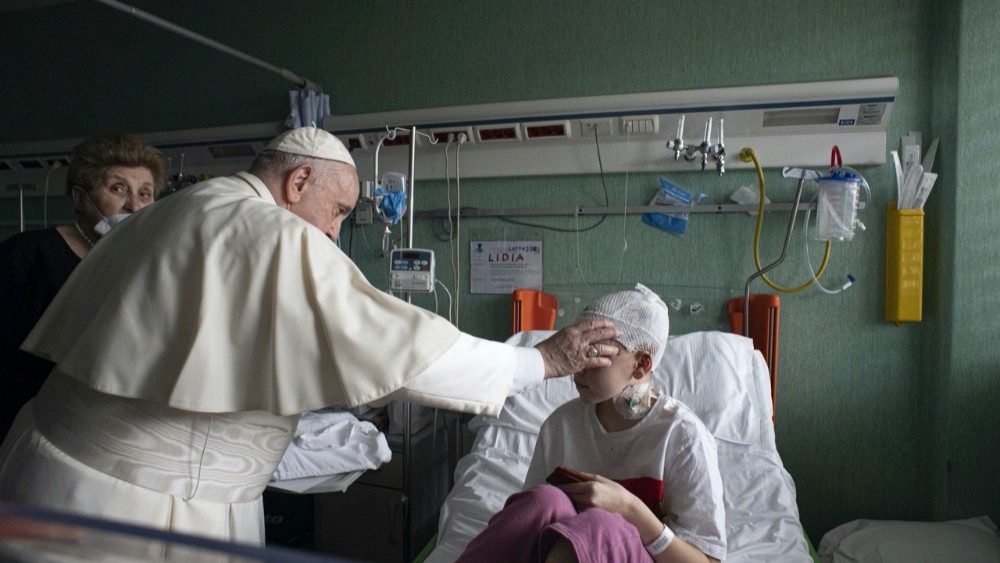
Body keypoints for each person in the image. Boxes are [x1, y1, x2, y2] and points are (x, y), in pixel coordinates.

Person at [0, 126, 620, 546]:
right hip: (128, 508)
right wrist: (540, 361)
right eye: (338, 210)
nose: (332, 233)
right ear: (297, 183)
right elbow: (396, 345)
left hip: (53, 470)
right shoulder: (267, 229)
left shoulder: (178, 209)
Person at [457, 284, 727, 563]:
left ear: (642, 365)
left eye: (594, 353)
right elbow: (531, 529)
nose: (577, 364)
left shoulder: (682, 436)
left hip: (634, 551)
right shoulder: (561, 425)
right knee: (542, 501)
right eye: (578, 350)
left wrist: (631, 511)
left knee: (598, 525)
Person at [0, 134, 164, 441]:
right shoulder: (27, 255)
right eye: (118, 189)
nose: (134, 205)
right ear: (80, 197)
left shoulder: (147, 267)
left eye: (145, 193)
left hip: (97, 429)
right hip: (25, 422)